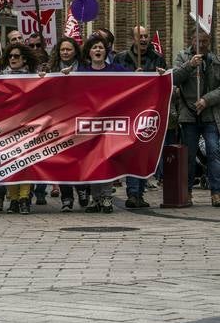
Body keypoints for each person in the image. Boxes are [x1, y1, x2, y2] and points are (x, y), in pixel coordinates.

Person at [116, 25, 167, 209]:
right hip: (130, 112)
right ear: (133, 38)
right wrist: (131, 78)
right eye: (140, 36)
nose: (144, 39)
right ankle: (132, 193)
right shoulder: (121, 58)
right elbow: (113, 83)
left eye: (146, 36)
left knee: (145, 152)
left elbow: (165, 83)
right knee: (132, 153)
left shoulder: (157, 58)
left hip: (149, 112)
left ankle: (140, 192)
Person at [77, 34, 126, 213]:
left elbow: (136, 84)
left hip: (110, 123)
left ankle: (106, 197)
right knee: (92, 160)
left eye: (101, 47)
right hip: (89, 124)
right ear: (89, 52)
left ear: (106, 51)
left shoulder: (118, 70)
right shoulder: (81, 73)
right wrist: (65, 77)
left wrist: (150, 76)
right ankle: (96, 197)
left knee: (106, 159)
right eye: (94, 47)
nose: (98, 50)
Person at [174, 30, 220, 207]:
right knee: (189, 155)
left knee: (214, 152)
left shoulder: (215, 60)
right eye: (198, 41)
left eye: (205, 42)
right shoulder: (182, 57)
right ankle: (187, 192)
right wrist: (190, 65)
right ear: (191, 41)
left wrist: (207, 100)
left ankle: (216, 192)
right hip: (189, 114)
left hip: (210, 114)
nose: (201, 45)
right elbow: (174, 78)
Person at [1, 42, 40, 214]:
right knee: (9, 162)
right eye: (10, 56)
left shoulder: (33, 77)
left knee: (25, 162)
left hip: (27, 125)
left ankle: (24, 198)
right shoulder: (0, 77)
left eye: (16, 56)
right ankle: (13, 199)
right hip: (7, 126)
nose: (13, 59)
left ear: (24, 59)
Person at [48, 36, 85, 210]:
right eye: (62, 49)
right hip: (59, 121)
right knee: (63, 159)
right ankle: (67, 198)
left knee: (81, 158)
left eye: (68, 49)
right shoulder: (51, 68)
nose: (65, 52)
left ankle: (83, 189)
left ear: (75, 51)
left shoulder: (85, 69)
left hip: (81, 119)